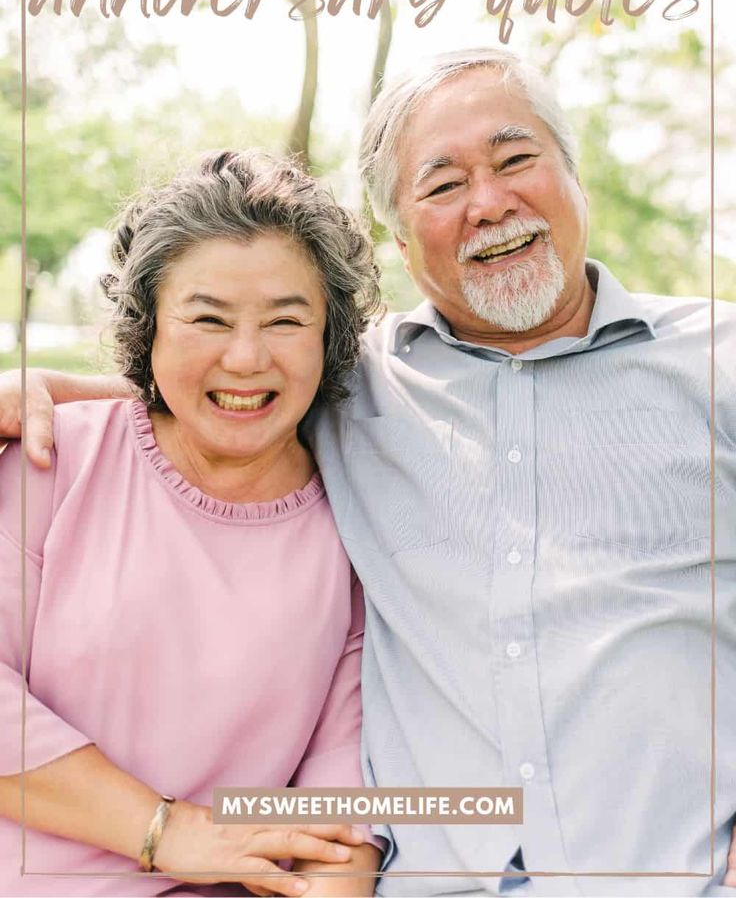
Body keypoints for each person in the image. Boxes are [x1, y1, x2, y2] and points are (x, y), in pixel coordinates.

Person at [3, 49, 735, 897]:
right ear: (398, 233)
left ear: (574, 178)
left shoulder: (717, 365)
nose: (489, 203)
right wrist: (41, 390)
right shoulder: (358, 387)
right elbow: (223, 390)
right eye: (442, 184)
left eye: (514, 159)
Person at [0, 149, 384, 897]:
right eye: (207, 319)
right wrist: (164, 830)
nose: (245, 358)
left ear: (330, 335)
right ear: (151, 327)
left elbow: (339, 816)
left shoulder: (356, 530)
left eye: (286, 320)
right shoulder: (52, 458)